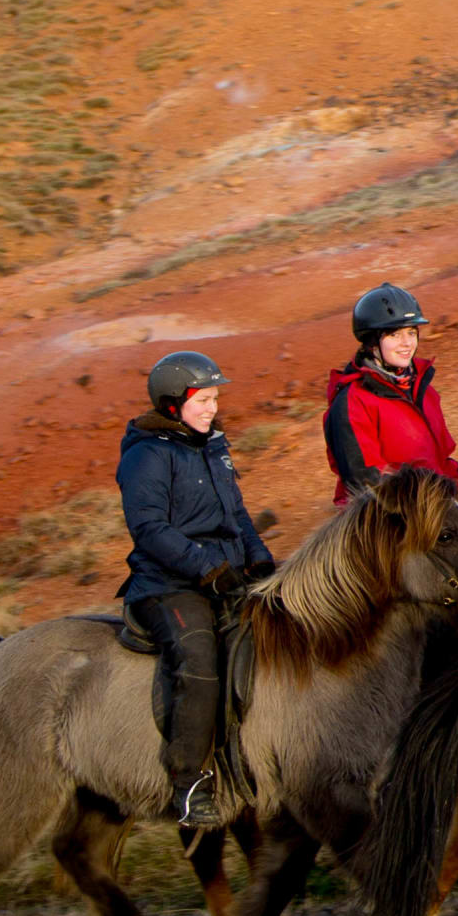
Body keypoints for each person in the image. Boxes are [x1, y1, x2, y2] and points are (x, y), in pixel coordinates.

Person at [118, 349, 277, 834]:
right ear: (172, 404)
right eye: (202, 399)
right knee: (199, 660)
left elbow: (238, 515)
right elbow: (149, 529)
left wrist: (259, 558)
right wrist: (208, 567)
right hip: (167, 585)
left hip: (223, 575)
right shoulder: (147, 454)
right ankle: (188, 783)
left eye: (214, 399)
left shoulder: (213, 446)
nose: (212, 408)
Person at [321, 283, 458, 508]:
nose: (407, 343)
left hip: (435, 505)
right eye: (394, 334)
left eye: (411, 332)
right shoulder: (352, 403)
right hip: (390, 517)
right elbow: (367, 484)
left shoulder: (422, 390)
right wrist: (432, 512)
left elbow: (442, 462)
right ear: (372, 343)